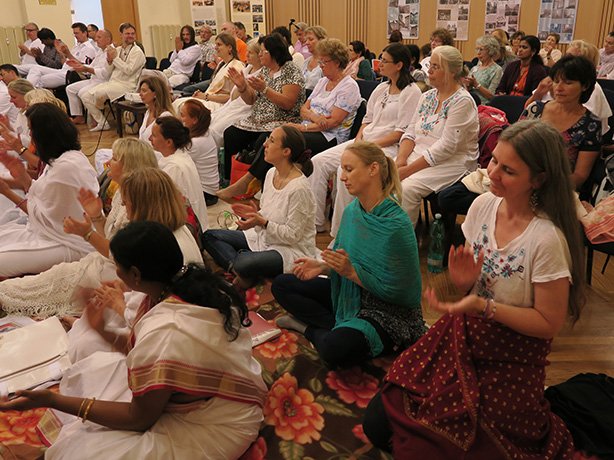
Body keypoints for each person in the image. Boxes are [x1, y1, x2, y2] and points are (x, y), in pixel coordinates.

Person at [364, 119, 583, 459]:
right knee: (380, 423)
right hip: (466, 333)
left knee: (447, 442)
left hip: (511, 354)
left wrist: (483, 307)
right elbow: (476, 292)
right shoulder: (482, 206)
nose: (492, 173)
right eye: (493, 160)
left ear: (539, 180)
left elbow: (548, 323)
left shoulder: (546, 239)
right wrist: (464, 285)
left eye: (508, 170)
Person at [1, 221, 266, 460]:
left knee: (85, 451)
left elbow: (138, 418)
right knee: (95, 369)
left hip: (217, 422)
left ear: (136, 274)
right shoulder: (179, 285)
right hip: (196, 395)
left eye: (118, 267)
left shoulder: (166, 328)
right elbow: (145, 350)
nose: (115, 273)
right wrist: (101, 330)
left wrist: (52, 399)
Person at [272, 142, 425, 368]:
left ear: (373, 169)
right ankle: (341, 327)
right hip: (349, 291)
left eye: (349, 169)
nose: (342, 177)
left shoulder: (396, 225)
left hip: (388, 312)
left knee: (334, 349)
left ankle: (309, 329)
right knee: (282, 284)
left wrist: (351, 272)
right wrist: (323, 267)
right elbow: (344, 262)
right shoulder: (353, 211)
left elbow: (404, 294)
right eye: (342, 169)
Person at [0, 138, 157, 317]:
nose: (107, 163)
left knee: (55, 281)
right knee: (52, 275)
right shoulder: (121, 192)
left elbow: (121, 255)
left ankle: (6, 296)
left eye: (114, 159)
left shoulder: (137, 200)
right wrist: (97, 216)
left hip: (115, 269)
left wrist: (87, 233)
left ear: (129, 166)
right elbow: (110, 236)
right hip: (96, 255)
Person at [310, 43, 421, 235]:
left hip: (387, 147)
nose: (379, 64)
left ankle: (341, 233)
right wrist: (359, 141)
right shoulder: (381, 88)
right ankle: (317, 222)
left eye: (385, 61)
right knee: (318, 162)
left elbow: (400, 133)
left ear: (399, 65)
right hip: (365, 142)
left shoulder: (411, 92)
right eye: (381, 59)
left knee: (346, 171)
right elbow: (366, 120)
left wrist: (367, 145)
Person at [202, 126, 315, 288]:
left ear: (286, 152)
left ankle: (243, 267)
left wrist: (262, 222)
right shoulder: (271, 173)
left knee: (244, 262)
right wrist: (254, 217)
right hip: (263, 237)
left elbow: (293, 236)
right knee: (209, 236)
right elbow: (267, 213)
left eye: (272, 141)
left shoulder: (299, 189)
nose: (265, 144)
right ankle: (241, 271)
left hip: (288, 249)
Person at [0, 103, 98, 277]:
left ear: (44, 134)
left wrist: (7, 191)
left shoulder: (66, 167)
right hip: (51, 233)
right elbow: (40, 196)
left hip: (71, 243)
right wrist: (21, 176)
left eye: (32, 130)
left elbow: (43, 216)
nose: (30, 135)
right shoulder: (62, 158)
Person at [396, 45, 479, 225]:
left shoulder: (462, 101)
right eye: (430, 65)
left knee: (406, 188)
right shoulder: (427, 96)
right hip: (420, 156)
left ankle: (402, 240)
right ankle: (383, 233)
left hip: (452, 162)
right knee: (381, 176)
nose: (429, 71)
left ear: (452, 72)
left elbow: (447, 147)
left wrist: (408, 170)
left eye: (436, 67)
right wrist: (400, 160)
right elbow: (411, 131)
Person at [222, 33, 304, 179]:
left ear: (274, 52)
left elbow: (288, 103)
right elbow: (251, 99)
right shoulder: (266, 70)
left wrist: (265, 89)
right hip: (258, 120)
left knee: (263, 141)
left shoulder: (291, 70)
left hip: (282, 120)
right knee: (230, 133)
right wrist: (242, 87)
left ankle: (254, 182)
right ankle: (231, 178)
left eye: (262, 51)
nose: (259, 54)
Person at [521, 56, 602, 189]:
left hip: (559, 188)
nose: (558, 88)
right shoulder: (534, 109)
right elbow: (513, 147)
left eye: (568, 83)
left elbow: (580, 176)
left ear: (585, 86)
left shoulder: (591, 124)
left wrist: (542, 185)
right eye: (556, 81)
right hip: (520, 180)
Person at [525, 39, 611, 135]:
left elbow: (597, 127)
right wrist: (539, 92)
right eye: (566, 56)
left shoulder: (594, 90)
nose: (566, 61)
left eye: (571, 57)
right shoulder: (552, 80)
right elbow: (528, 110)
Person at [80, 23, 146, 131]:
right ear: (121, 35)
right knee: (85, 96)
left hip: (127, 85)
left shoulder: (137, 52)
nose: (130, 36)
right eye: (127, 33)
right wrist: (109, 61)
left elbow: (129, 71)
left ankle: (99, 107)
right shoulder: (118, 49)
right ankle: (102, 123)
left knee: (98, 94)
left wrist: (115, 58)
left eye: (132, 33)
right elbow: (109, 70)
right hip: (112, 82)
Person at [149, 116, 208, 231]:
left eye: (154, 136)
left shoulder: (174, 168)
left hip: (188, 228)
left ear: (169, 142)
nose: (149, 138)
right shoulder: (180, 156)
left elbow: (166, 204)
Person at [209, 38, 263, 147]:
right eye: (247, 51)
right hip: (231, 105)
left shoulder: (261, 74)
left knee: (216, 130)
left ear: (259, 55)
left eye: (250, 53)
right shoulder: (247, 69)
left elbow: (250, 99)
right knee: (209, 122)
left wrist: (242, 86)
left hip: (244, 110)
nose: (246, 55)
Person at [174, 32, 244, 112]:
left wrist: (206, 96)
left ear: (229, 47)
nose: (215, 48)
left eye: (219, 45)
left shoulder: (236, 66)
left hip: (220, 104)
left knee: (184, 106)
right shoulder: (222, 64)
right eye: (216, 44)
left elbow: (232, 97)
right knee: (176, 103)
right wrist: (201, 95)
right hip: (210, 99)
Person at [27, 22, 97, 89]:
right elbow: (65, 63)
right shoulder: (76, 47)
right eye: (74, 33)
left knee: (41, 79)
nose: (75, 36)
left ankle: (27, 91)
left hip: (72, 74)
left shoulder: (89, 48)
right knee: (35, 68)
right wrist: (61, 53)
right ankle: (27, 90)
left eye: (77, 33)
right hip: (63, 70)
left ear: (85, 33)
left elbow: (83, 68)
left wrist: (68, 54)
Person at [65, 28, 113, 125]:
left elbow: (106, 73)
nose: (96, 39)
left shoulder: (111, 52)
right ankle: (79, 116)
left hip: (104, 81)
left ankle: (99, 120)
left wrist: (86, 69)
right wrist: (79, 65)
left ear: (108, 39)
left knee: (82, 92)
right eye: (96, 37)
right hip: (94, 79)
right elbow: (91, 66)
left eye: (99, 37)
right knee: (70, 89)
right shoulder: (100, 51)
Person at [179, 99, 219, 206]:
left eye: (182, 115)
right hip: (208, 190)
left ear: (194, 120)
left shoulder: (196, 143)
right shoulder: (205, 133)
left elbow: (176, 161)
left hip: (205, 193)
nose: (180, 119)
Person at [463, 35, 503, 103]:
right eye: (477, 49)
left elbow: (491, 96)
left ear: (490, 51)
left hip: (484, 105)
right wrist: (467, 84)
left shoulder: (497, 70)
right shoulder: (474, 68)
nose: (478, 53)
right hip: (470, 101)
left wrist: (476, 85)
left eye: (481, 49)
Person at [301, 26, 328, 90]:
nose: (307, 43)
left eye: (311, 39)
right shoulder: (306, 62)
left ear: (321, 41)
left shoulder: (327, 62)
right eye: (306, 40)